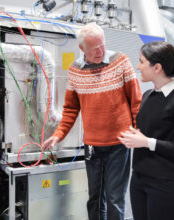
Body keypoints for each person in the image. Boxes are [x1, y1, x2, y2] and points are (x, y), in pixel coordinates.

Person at [43, 22, 142, 220]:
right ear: (82, 48)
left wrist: (137, 132)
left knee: (115, 198)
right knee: (95, 198)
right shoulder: (75, 70)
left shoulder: (120, 61)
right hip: (92, 146)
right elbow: (71, 109)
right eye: (94, 48)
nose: (100, 51)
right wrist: (57, 135)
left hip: (119, 144)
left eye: (102, 45)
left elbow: (136, 101)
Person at [118, 41, 174, 220]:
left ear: (157, 68)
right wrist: (134, 135)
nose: (138, 66)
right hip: (139, 179)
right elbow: (150, 130)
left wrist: (147, 142)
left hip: (167, 184)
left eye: (141, 61)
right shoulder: (148, 96)